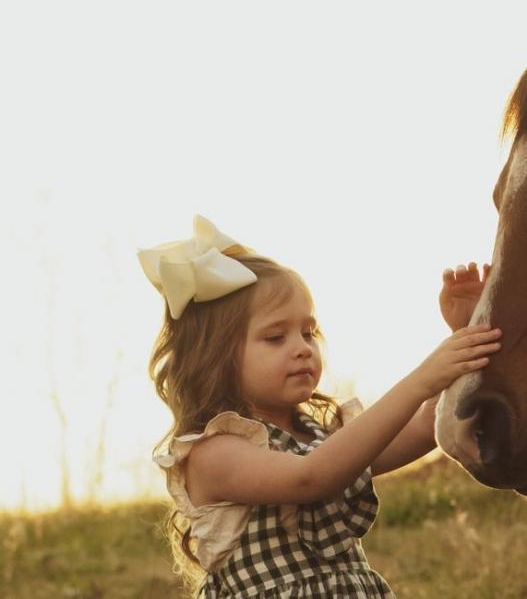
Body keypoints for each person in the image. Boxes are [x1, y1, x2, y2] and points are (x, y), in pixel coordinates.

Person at [142, 215, 499, 597]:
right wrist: (422, 378)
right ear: (214, 356)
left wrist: (464, 335)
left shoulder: (321, 439)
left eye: (308, 332)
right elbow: (309, 478)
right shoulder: (212, 453)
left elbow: (425, 425)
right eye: (276, 337)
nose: (302, 348)